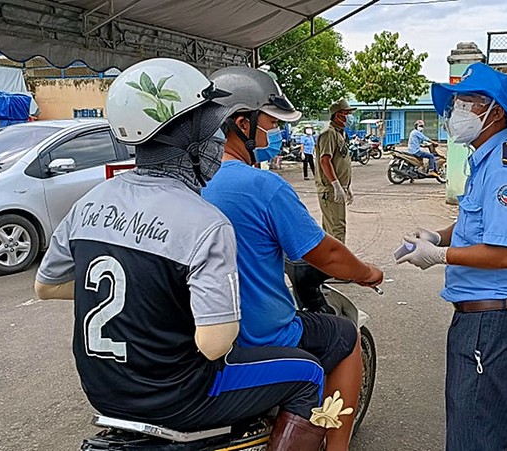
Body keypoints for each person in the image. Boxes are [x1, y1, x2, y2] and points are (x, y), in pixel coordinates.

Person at [32, 58, 341, 451]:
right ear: (190, 141)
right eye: (213, 131)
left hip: (103, 392)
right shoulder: (204, 222)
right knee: (308, 373)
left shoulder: (90, 203)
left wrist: (146, 299)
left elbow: (47, 286)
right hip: (180, 399)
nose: (218, 143)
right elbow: (215, 344)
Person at [201, 66, 384, 451]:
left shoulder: (189, 180)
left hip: (195, 334)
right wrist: (367, 273)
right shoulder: (261, 185)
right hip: (257, 333)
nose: (277, 133)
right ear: (241, 123)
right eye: (270, 123)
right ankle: (337, 446)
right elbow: (328, 253)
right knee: (346, 337)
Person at [397, 62, 507, 451]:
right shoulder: (486, 160)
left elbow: (505, 252)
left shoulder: (505, 170)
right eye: (458, 102)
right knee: (473, 421)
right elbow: (476, 227)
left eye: (469, 102)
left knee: (474, 432)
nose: (457, 111)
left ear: (495, 111)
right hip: (482, 316)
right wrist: (435, 236)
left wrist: (440, 255)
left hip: (492, 319)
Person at [315, 98, 355, 243]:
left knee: (331, 229)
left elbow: (340, 161)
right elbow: (325, 160)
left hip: (336, 188)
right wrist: (336, 185)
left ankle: (329, 263)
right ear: (338, 115)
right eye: (346, 114)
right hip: (330, 190)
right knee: (337, 229)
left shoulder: (339, 133)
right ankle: (338, 264)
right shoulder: (329, 134)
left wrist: (346, 186)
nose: (349, 117)